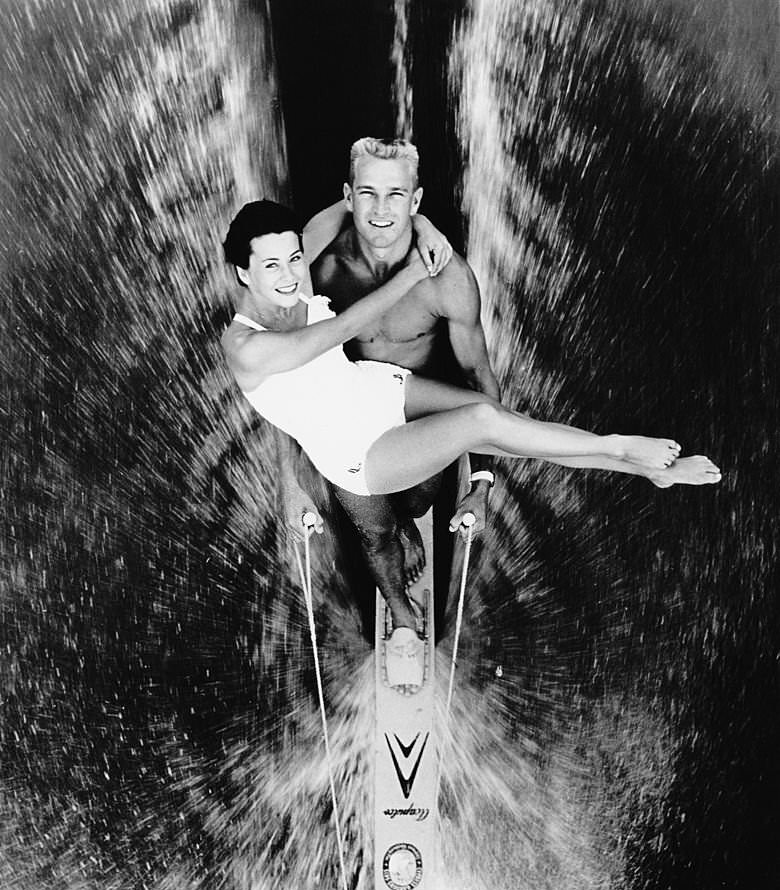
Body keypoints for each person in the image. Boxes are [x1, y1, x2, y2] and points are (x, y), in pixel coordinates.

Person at [220, 199, 721, 689]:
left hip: (376, 388)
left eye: (293, 258)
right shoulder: (246, 349)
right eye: (271, 265)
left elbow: (350, 205)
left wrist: (423, 222)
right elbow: (343, 328)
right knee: (479, 423)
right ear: (244, 273)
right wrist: (416, 271)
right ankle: (619, 452)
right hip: (357, 451)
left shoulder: (294, 266)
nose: (290, 273)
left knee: (497, 420)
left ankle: (645, 468)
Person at [305, 137, 501, 679]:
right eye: (367, 194)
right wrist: (291, 476)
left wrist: (481, 487)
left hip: (417, 416)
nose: (382, 210)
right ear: (348, 197)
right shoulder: (321, 271)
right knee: (375, 532)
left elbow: (477, 375)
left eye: (396, 196)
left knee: (415, 504)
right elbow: (289, 364)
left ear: (416, 203)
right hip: (350, 423)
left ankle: (411, 524)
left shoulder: (448, 278)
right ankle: (400, 615)